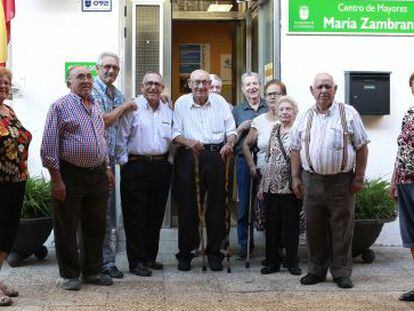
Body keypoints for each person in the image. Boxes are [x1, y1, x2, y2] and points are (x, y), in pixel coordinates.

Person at [290, 73, 369, 289]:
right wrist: (296, 177)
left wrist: (359, 177)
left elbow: (362, 147)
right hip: (311, 180)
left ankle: (341, 272)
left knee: (342, 228)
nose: (324, 90)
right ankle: (315, 271)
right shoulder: (304, 116)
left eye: (328, 86)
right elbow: (295, 148)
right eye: (319, 86)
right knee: (313, 227)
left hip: (342, 181)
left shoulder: (349, 113)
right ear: (311, 90)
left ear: (335, 89)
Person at [41, 66, 114, 291]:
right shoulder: (59, 106)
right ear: (68, 82)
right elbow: (49, 145)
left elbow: (101, 138)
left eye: (88, 76)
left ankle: (92, 271)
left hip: (97, 174)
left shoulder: (95, 105)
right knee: (66, 226)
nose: (85, 80)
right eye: (79, 77)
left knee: (96, 225)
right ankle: (69, 274)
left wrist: (107, 167)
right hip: (69, 174)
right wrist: (56, 178)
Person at [172, 69, 237, 271]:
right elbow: (174, 134)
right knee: (188, 207)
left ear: (210, 84)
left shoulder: (221, 103)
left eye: (205, 82)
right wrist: (189, 142)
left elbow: (232, 131)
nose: (201, 86)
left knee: (217, 207)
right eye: (196, 82)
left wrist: (230, 144)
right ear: (189, 84)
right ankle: (186, 253)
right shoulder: (181, 103)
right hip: (190, 155)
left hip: (217, 155)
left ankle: (214, 252)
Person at [116, 72, 172, 277]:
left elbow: (172, 137)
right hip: (136, 166)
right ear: (141, 87)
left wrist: (169, 162)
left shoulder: (168, 110)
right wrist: (125, 165)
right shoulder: (133, 108)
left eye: (157, 84)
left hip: (161, 166)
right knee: (135, 216)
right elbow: (121, 139)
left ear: (162, 88)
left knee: (155, 214)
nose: (153, 87)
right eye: (149, 83)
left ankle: (150, 257)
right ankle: (136, 261)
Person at [92, 52, 137, 279]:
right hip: (93, 160)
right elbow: (104, 120)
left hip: (109, 160)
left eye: (115, 68)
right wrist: (125, 107)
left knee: (107, 213)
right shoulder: (92, 91)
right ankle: (96, 261)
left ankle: (106, 261)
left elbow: (131, 110)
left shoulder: (116, 93)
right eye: (107, 67)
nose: (111, 71)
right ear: (97, 67)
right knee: (96, 213)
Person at [257, 96, 302, 275]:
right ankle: (271, 262)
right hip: (270, 185)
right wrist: (262, 185)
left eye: (288, 109)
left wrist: (298, 180)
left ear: (294, 112)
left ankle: (292, 262)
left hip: (290, 185)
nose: (284, 112)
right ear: (276, 112)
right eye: (281, 109)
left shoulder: (299, 131)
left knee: (291, 227)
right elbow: (268, 157)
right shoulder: (274, 129)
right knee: (272, 226)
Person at [0, 68, 32, 306]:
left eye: (7, 82)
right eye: (0, 81)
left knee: (8, 233)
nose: (4, 85)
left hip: (17, 180)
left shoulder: (8, 111)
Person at [232, 72, 268, 259]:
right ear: (243, 89)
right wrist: (240, 128)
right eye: (248, 85)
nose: (252, 87)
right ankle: (245, 244)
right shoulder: (237, 110)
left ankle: (272, 244)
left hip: (266, 161)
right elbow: (229, 137)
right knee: (245, 204)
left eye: (255, 83)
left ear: (260, 85)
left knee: (268, 203)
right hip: (243, 162)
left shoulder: (269, 107)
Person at [390, 72, 414, 301]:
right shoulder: (409, 114)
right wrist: (394, 179)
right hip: (406, 182)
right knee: (412, 237)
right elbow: (402, 149)